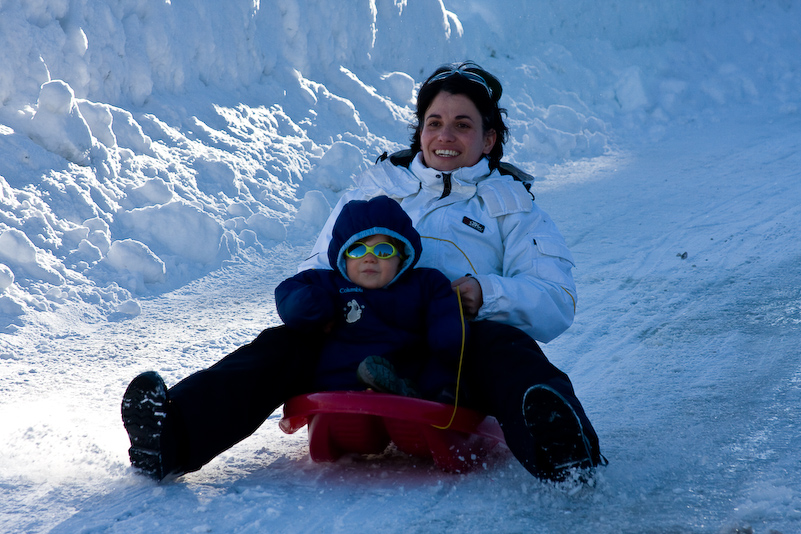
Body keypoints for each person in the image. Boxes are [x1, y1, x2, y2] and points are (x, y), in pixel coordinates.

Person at [121, 61, 605, 483]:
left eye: (463, 124)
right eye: (434, 122)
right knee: (280, 348)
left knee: (509, 350)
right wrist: (322, 304)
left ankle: (562, 448)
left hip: (453, 345)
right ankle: (172, 435)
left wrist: (488, 293)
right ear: (419, 131)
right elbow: (319, 264)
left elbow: (555, 298)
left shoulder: (512, 205)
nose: (445, 136)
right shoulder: (379, 186)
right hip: (360, 331)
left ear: (489, 137)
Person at [274, 195, 466, 400]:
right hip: (339, 385)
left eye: (383, 250)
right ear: (343, 255)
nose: (369, 258)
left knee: (441, 369)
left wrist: (448, 337)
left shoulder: (423, 283)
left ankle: (433, 398)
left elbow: (445, 308)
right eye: (357, 250)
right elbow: (287, 291)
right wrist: (311, 304)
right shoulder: (331, 283)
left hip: (407, 375)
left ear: (401, 257)